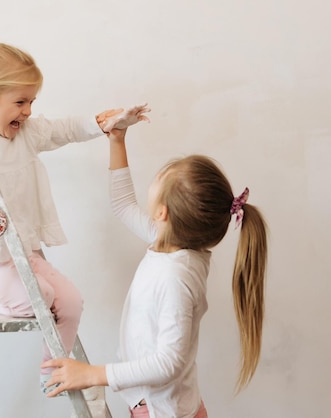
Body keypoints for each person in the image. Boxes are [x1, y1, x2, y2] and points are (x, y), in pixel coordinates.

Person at [0, 42, 150, 395]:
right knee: (44, 295)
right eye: (20, 102)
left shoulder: (27, 133)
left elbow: (63, 130)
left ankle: (52, 370)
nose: (28, 111)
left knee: (70, 301)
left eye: (32, 102)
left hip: (26, 254)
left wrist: (99, 123)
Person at [41, 125, 268, 417]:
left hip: (163, 412)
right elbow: (123, 205)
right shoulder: (171, 244)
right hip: (156, 407)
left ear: (163, 213)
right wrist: (117, 140)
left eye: (158, 179)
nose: (154, 180)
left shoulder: (177, 277)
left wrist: (94, 374)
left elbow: (169, 362)